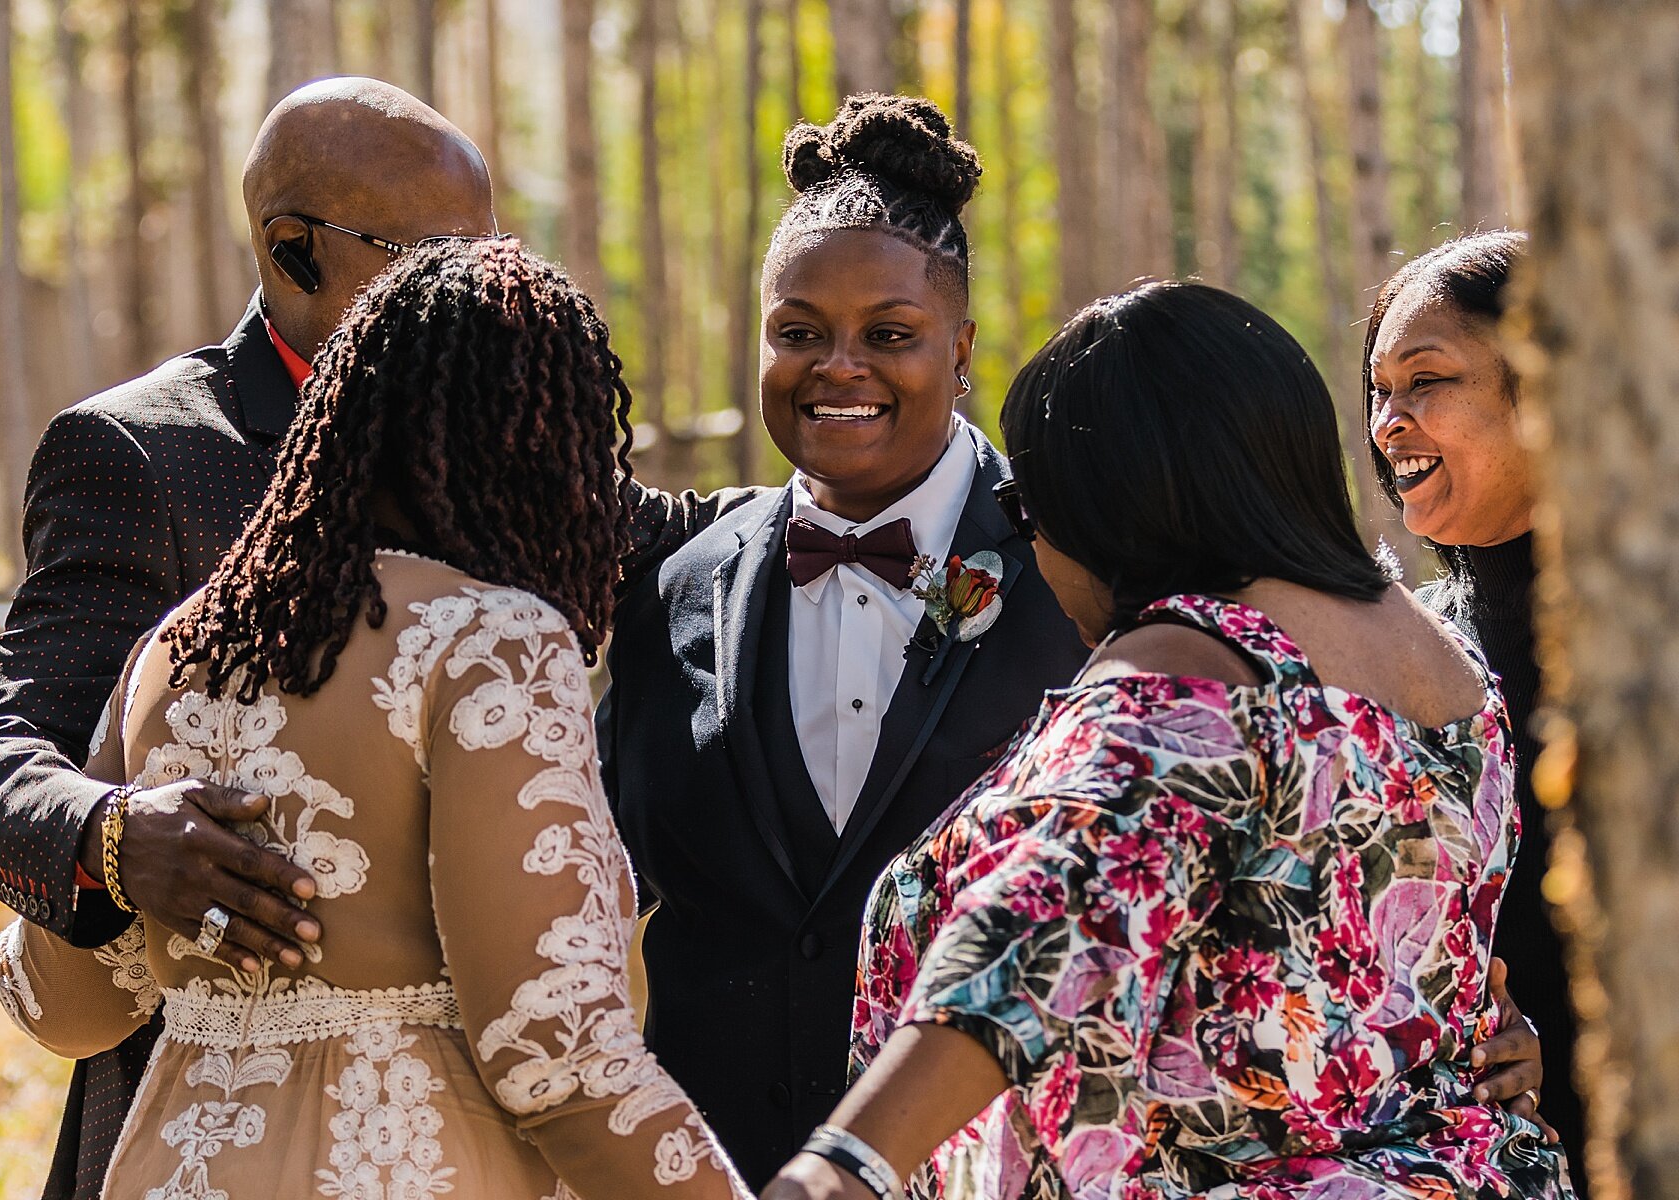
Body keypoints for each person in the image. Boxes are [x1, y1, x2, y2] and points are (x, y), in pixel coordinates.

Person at [0, 76, 743, 1200]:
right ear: (292, 248)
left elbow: (679, 528)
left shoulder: (510, 455)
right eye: (436, 254)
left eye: (493, 247)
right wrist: (117, 838)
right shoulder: (142, 454)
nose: (477, 287)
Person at [763, 282, 1575, 1200]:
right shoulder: (1448, 663)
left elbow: (1032, 937)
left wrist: (836, 1173)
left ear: (1116, 500)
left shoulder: (1188, 672)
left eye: (1029, 507)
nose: (1032, 546)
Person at [597, 94, 1088, 1186]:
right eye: (800, 332)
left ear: (960, 350)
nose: (839, 366)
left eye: (890, 335)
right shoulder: (672, 592)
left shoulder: (1076, 573)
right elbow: (586, 885)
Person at [1365, 230, 1584, 1186]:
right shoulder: (1410, 659)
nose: (1388, 422)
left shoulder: (1656, 642)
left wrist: (1567, 1055)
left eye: (1426, 381)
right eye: (1379, 391)